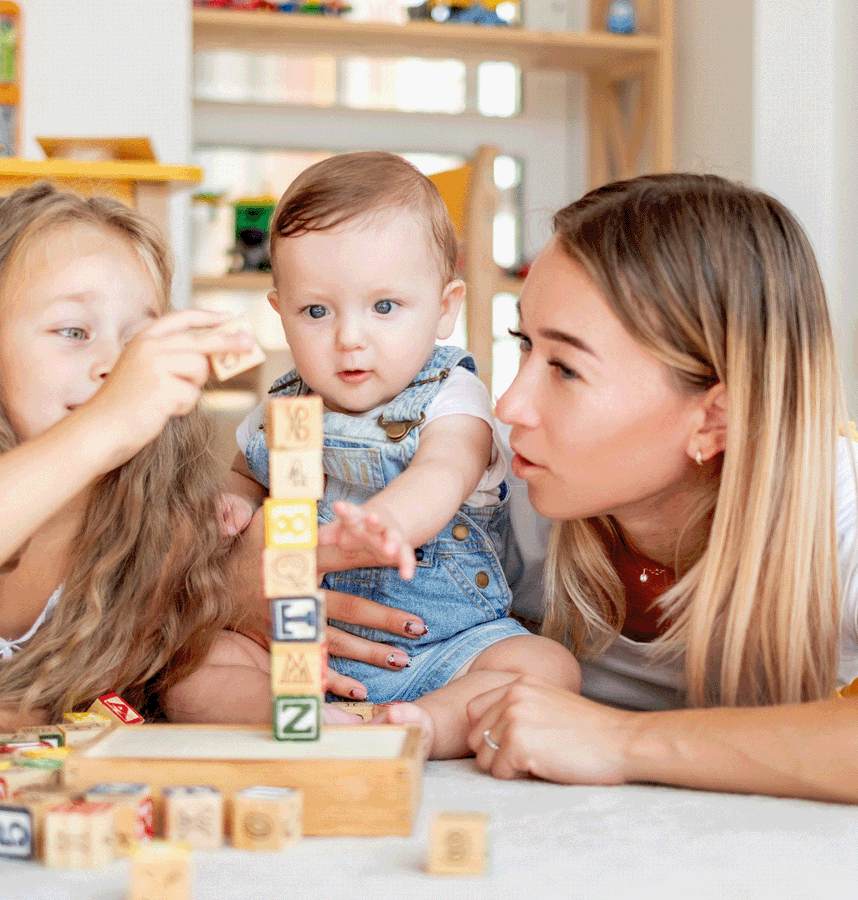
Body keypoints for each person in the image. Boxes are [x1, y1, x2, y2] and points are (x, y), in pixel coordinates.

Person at [457, 172, 858, 803]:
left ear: (715, 417)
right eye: (524, 345)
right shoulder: (495, 483)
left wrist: (620, 742)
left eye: (564, 367)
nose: (510, 404)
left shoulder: (841, 511)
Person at [166, 151, 580, 758]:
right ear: (280, 316)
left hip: (446, 645)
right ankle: (297, 715)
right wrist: (231, 504)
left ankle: (425, 724)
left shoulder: (448, 394)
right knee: (191, 673)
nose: (349, 337)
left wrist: (387, 524)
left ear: (444, 308)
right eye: (316, 311)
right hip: (301, 645)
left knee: (545, 666)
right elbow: (246, 472)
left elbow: (446, 469)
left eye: (384, 307)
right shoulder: (284, 406)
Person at [0, 181, 260, 745]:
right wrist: (103, 424)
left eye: (137, 342)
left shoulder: (157, 529)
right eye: (72, 331)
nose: (114, 369)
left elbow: (55, 707)